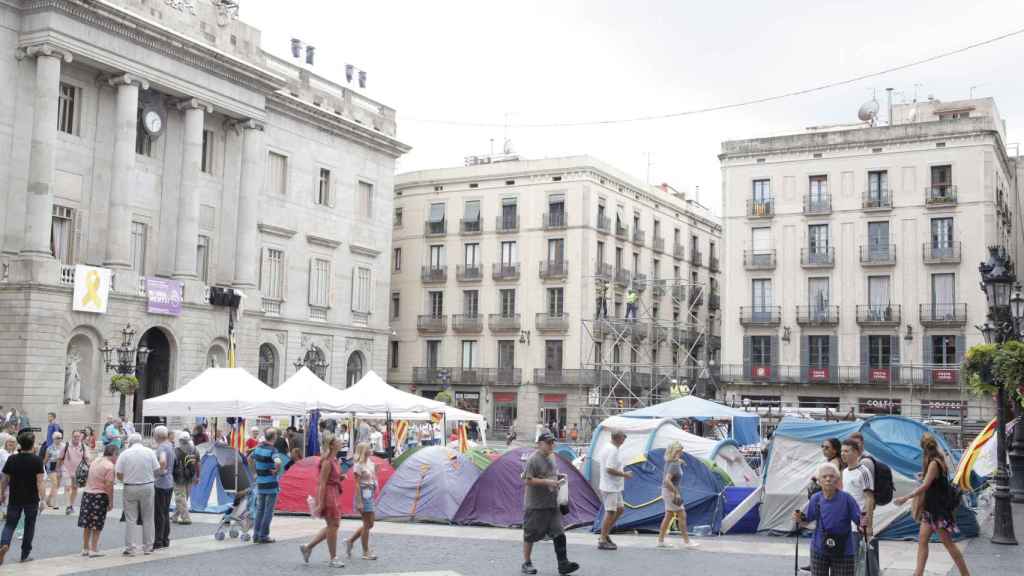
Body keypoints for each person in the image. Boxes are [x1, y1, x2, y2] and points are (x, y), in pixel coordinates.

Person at [893, 434, 970, 576]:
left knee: (948, 544)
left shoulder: (934, 463)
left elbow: (925, 486)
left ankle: (966, 574)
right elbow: (934, 480)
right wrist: (924, 475)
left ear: (924, 449)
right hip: (931, 510)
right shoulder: (938, 460)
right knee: (923, 540)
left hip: (937, 511)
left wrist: (906, 497)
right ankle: (918, 573)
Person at [521, 431, 578, 575]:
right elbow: (528, 480)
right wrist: (547, 481)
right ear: (540, 444)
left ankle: (563, 564)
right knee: (530, 534)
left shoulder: (552, 456)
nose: (552, 445)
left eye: (553, 442)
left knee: (559, 531)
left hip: (552, 502)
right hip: (536, 504)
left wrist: (559, 478)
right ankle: (526, 562)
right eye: (548, 443)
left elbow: (551, 473)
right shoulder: (533, 459)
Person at [792, 462, 861, 576]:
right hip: (819, 547)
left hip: (843, 549)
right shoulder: (816, 498)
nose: (828, 479)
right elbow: (807, 519)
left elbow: (860, 521)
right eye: (824, 476)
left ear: (838, 480)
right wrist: (799, 518)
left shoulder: (847, 499)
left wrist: (865, 524)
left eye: (832, 476)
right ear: (819, 481)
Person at [299, 433, 345, 567]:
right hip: (329, 495)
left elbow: (329, 479)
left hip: (334, 493)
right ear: (331, 445)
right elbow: (322, 483)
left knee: (333, 526)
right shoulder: (327, 462)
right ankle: (333, 558)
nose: (341, 442)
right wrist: (320, 502)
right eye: (338, 440)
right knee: (333, 526)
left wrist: (339, 479)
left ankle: (308, 547)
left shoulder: (334, 460)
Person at [0, 431, 45, 564]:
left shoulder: (12, 459)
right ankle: (25, 554)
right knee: (29, 526)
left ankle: (4, 544)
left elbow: (5, 479)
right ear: (32, 445)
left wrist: (1, 493)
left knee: (10, 524)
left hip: (15, 497)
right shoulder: (37, 460)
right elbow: (40, 482)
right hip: (31, 499)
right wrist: (43, 499)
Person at [116, 432, 159, 556]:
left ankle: (131, 548)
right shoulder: (150, 452)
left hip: (130, 486)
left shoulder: (124, 454)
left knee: (131, 518)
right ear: (141, 441)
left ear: (130, 442)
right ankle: (148, 547)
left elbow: (118, 473)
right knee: (148, 517)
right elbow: (156, 470)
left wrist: (126, 478)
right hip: (147, 485)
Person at [841, 438, 877, 576]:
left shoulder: (864, 472)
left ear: (856, 452)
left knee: (858, 558)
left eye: (846, 451)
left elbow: (869, 498)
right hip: (844, 522)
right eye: (842, 451)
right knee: (846, 558)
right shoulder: (844, 472)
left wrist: (869, 525)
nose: (843, 454)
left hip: (858, 524)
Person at [656, 442, 698, 549]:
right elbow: (667, 480)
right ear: (674, 452)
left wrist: (680, 461)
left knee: (668, 516)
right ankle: (687, 542)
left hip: (666, 491)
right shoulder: (674, 464)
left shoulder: (670, 461)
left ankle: (660, 541)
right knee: (682, 515)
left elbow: (673, 467)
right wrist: (676, 492)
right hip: (670, 492)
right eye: (679, 451)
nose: (682, 452)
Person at [79, 444, 117, 557]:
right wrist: (110, 501)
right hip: (99, 496)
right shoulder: (110, 466)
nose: (117, 458)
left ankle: (85, 548)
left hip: (87, 494)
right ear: (114, 454)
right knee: (97, 524)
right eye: (117, 455)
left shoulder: (96, 460)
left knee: (87, 524)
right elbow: (109, 486)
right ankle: (94, 549)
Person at [598, 429, 631, 550]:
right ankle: (602, 538)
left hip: (613, 486)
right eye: (624, 437)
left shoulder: (608, 447)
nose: (625, 439)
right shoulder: (612, 450)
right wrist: (624, 475)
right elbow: (609, 469)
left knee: (620, 509)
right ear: (618, 438)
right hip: (610, 486)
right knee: (611, 511)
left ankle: (605, 534)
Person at [346, 442, 378, 560]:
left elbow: (372, 477)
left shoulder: (369, 462)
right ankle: (365, 551)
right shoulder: (358, 465)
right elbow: (357, 484)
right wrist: (359, 501)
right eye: (368, 448)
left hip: (370, 494)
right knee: (366, 524)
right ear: (363, 450)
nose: (370, 449)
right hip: (363, 495)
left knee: (370, 523)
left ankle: (350, 541)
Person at [251, 427, 283, 544]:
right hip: (271, 483)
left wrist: (255, 472)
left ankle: (256, 534)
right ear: (274, 437)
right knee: (268, 510)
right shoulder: (273, 450)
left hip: (260, 482)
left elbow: (250, 458)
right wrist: (276, 470)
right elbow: (278, 462)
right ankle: (264, 535)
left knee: (260, 509)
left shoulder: (258, 448)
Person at [152, 426, 175, 549]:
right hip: (170, 482)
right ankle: (165, 538)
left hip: (161, 483)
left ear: (157, 436)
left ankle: (159, 540)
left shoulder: (161, 447)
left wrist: (158, 472)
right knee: (165, 512)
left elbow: (162, 462)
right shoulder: (170, 445)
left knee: (159, 513)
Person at [171, 432, 198, 525]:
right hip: (190, 476)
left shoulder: (176, 450)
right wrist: (197, 476)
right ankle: (175, 515)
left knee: (180, 497)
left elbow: (172, 465)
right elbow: (198, 463)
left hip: (179, 477)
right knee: (184, 498)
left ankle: (186, 518)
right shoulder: (194, 449)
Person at [59, 429, 87, 514]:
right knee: (67, 487)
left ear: (80, 437)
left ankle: (71, 505)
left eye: (78, 436)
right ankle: (68, 506)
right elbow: (60, 458)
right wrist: (57, 469)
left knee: (75, 488)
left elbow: (87, 458)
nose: (76, 438)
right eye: (75, 436)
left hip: (78, 471)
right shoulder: (66, 445)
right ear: (72, 436)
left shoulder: (83, 446)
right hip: (66, 469)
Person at [42, 430, 65, 509]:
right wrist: (41, 467)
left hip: (61, 467)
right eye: (57, 438)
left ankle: (48, 499)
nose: (59, 439)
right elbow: (45, 459)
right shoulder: (49, 448)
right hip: (51, 467)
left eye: (60, 438)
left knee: (57, 485)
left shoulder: (64, 446)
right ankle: (55, 503)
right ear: (53, 439)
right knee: (55, 484)